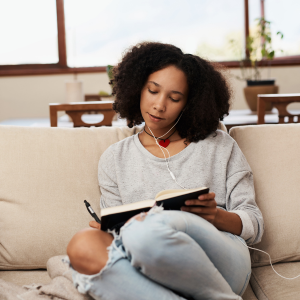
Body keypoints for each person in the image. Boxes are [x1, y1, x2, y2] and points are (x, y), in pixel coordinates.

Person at [66, 42, 264, 300]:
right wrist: (108, 229)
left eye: (174, 98)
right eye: (152, 91)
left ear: (189, 103)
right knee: (82, 244)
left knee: (146, 226)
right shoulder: (115, 159)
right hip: (150, 266)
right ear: (137, 88)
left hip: (222, 261)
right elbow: (117, 241)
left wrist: (216, 217)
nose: (159, 105)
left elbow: (255, 223)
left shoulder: (219, 146)